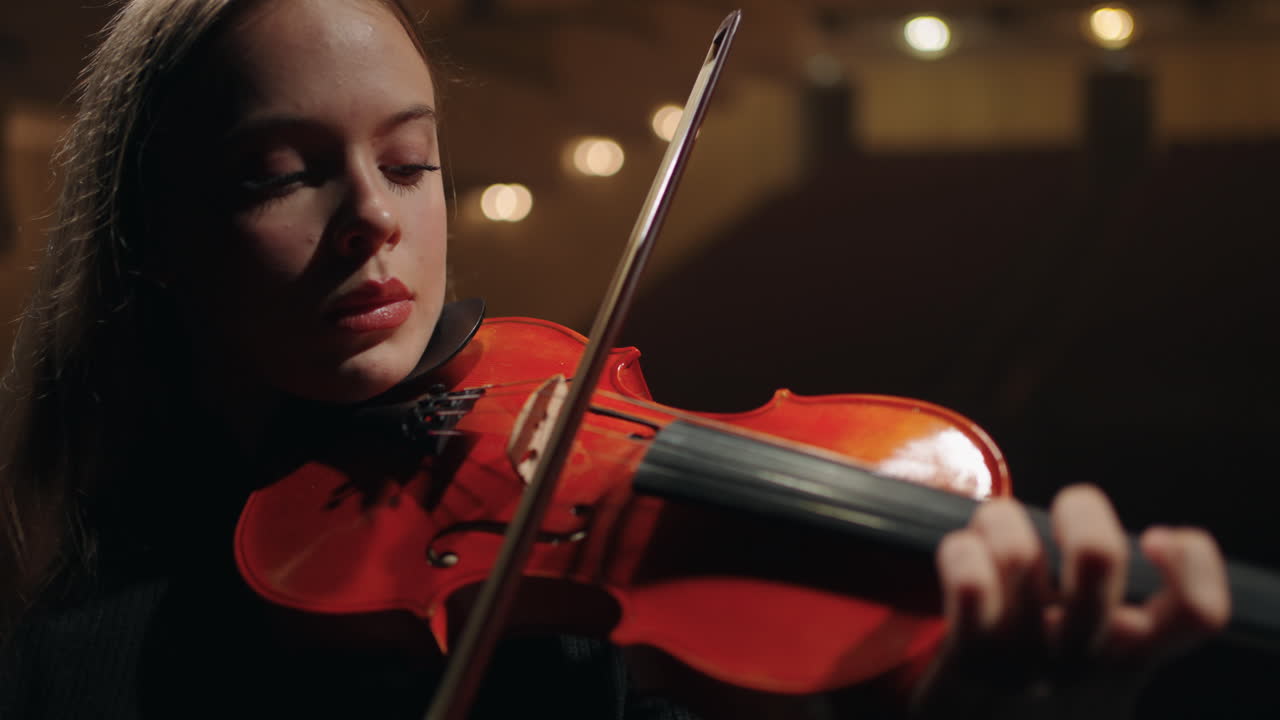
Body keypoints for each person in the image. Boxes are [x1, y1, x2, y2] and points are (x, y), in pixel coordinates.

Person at [0, 1, 1230, 718]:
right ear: (153, 241)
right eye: (280, 175)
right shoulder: (75, 667)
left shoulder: (565, 625)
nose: (375, 217)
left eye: (412, 161)